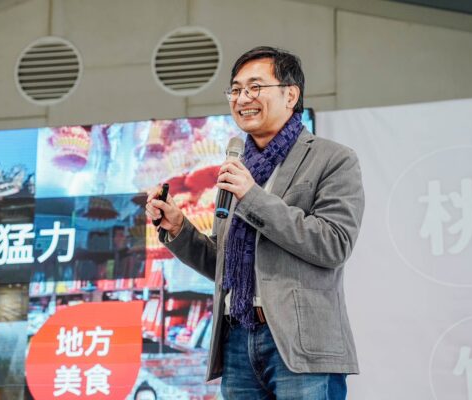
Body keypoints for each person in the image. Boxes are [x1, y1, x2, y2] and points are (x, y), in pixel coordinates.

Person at [146, 46, 364, 399]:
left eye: (255, 87)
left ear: (290, 95)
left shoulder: (332, 159)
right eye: (235, 89)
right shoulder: (238, 166)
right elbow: (224, 264)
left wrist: (252, 197)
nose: (242, 98)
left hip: (300, 345)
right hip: (237, 339)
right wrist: (178, 228)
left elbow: (334, 244)